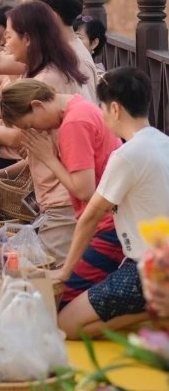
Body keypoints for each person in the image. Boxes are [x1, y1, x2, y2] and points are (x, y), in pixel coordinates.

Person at [0, 1, 93, 262]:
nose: (5, 44)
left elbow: (16, 135)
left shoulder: (48, 78)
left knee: (45, 277)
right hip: (54, 194)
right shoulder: (45, 64)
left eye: (8, 36)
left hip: (62, 197)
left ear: (28, 38)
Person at [51, 67, 169, 337]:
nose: (102, 116)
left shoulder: (127, 154)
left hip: (148, 269)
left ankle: (158, 309)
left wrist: (64, 271)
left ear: (115, 109)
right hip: (157, 260)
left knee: (65, 324)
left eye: (102, 109)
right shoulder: (163, 142)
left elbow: (90, 216)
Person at [0, 79, 124, 308]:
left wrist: (48, 158)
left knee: (61, 302)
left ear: (37, 105)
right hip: (108, 221)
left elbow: (84, 190)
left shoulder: (73, 123)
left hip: (108, 226)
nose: (36, 130)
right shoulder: (79, 107)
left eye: (29, 125)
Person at [34, 0, 98, 92]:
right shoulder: (58, 49)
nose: (32, 17)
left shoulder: (77, 62)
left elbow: (85, 107)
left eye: (35, 12)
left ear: (52, 16)